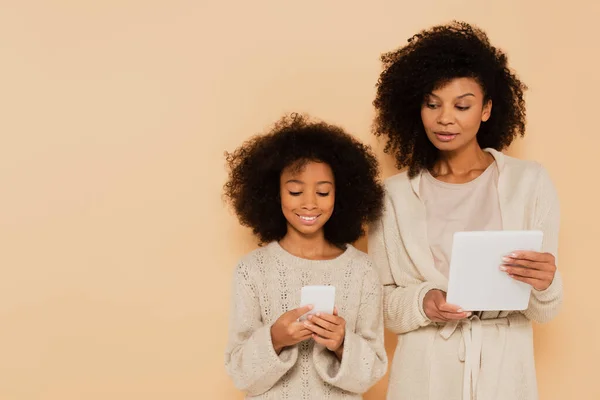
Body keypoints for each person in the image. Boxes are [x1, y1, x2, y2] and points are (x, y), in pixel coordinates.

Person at [368, 21, 563, 400]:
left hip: (505, 372)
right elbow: (380, 304)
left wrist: (545, 281)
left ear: (487, 109)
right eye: (432, 103)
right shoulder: (392, 197)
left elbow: (546, 310)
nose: (445, 118)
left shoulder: (530, 183)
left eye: (462, 105)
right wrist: (424, 302)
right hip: (423, 374)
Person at [223, 113, 388, 399]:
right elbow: (240, 374)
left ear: (342, 195)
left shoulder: (363, 271)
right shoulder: (252, 269)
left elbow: (372, 371)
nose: (310, 203)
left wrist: (341, 344)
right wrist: (275, 339)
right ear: (275, 193)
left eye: (323, 192)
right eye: (296, 191)